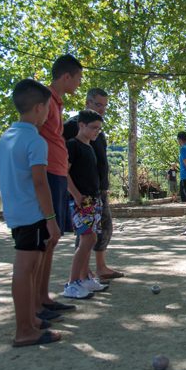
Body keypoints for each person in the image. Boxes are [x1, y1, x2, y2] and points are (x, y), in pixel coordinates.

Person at [0, 79, 62, 347]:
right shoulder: (35, 141)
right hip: (32, 214)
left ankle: (31, 320)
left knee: (30, 266)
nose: (49, 113)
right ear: (38, 108)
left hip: (15, 211)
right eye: (47, 108)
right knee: (25, 269)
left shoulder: (7, 137)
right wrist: (51, 220)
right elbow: (39, 182)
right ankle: (24, 330)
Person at [38, 54, 83, 313]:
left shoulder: (57, 102)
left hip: (56, 173)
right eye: (78, 78)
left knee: (52, 239)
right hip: (48, 173)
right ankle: (36, 301)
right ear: (67, 76)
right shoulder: (44, 100)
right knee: (45, 238)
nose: (78, 84)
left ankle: (43, 297)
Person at [63, 88, 123, 281]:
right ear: (87, 103)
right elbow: (66, 163)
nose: (103, 109)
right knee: (85, 234)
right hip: (82, 192)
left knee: (103, 229)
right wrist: (74, 192)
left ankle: (100, 267)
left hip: (98, 190)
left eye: (105, 105)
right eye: (98, 104)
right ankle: (82, 273)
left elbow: (99, 160)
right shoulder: (73, 126)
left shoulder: (98, 129)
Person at [63, 110, 107, 298]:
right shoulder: (73, 145)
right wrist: (77, 195)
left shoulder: (90, 146)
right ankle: (72, 283)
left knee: (92, 239)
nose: (97, 131)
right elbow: (64, 173)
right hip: (81, 200)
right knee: (87, 239)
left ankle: (84, 278)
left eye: (99, 128)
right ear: (81, 125)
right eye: (93, 128)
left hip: (93, 199)